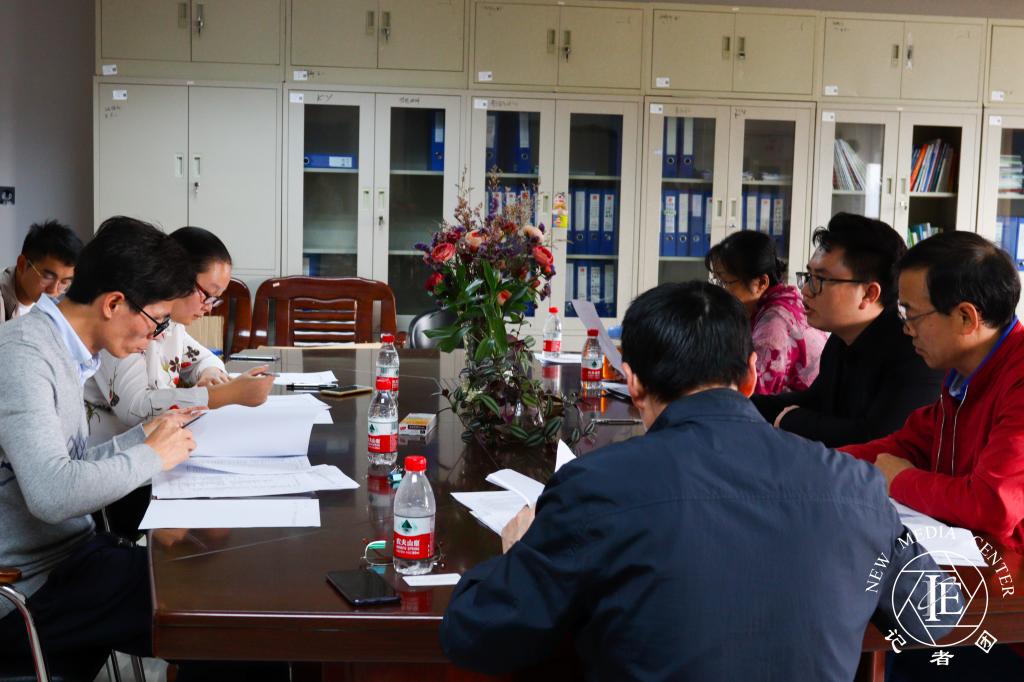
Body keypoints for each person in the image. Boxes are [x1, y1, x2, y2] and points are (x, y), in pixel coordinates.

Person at [441, 281, 952, 680]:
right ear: (750, 376)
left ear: (633, 383)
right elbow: (934, 616)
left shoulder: (596, 486)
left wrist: (520, 553)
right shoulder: (855, 487)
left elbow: (477, 636)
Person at [0, 216, 197, 665]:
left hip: (69, 558)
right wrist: (151, 456)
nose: (155, 338)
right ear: (113, 303)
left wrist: (141, 440)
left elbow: (69, 464)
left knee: (204, 585)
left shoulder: (62, 349)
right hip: (26, 588)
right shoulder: (23, 355)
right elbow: (53, 493)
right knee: (206, 609)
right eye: (157, 321)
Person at [842, 232, 1024, 549]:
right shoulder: (961, 376)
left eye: (912, 314)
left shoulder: (1017, 379)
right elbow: (907, 446)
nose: (906, 329)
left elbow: (993, 505)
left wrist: (900, 479)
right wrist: (815, 463)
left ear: (965, 317)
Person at [752, 213, 943, 447]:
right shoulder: (842, 338)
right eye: (809, 276)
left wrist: (790, 420)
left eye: (820, 279)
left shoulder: (914, 350)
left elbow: (878, 440)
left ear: (869, 293)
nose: (806, 290)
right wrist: (736, 402)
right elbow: (815, 400)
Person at [84, 226, 273, 447]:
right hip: (109, 451)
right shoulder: (126, 320)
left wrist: (211, 374)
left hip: (152, 448)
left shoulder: (170, 324)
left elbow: (204, 359)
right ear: (177, 276)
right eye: (208, 295)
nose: (209, 307)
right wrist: (224, 394)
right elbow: (135, 408)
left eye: (215, 299)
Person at [705, 230, 827, 395]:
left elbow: (748, 394)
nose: (719, 290)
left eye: (725, 282)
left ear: (761, 282)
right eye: (716, 280)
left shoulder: (774, 325)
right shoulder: (785, 298)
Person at [0, 220, 83, 323]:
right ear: (22, 265)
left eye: (64, 282)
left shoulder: (52, 309)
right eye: (48, 277)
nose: (54, 291)